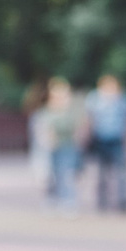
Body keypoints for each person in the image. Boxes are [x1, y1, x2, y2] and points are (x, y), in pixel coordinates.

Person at [84, 73, 126, 213]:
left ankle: (123, 201)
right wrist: (86, 137)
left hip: (118, 140)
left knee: (121, 173)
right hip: (100, 139)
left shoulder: (123, 99)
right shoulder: (94, 98)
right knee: (102, 173)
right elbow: (89, 119)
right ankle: (102, 201)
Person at [33, 78, 82, 211]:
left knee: (66, 175)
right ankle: (51, 199)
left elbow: (77, 128)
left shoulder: (70, 111)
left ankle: (68, 201)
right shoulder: (44, 112)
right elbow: (40, 130)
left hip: (67, 147)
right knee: (50, 176)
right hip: (49, 148)